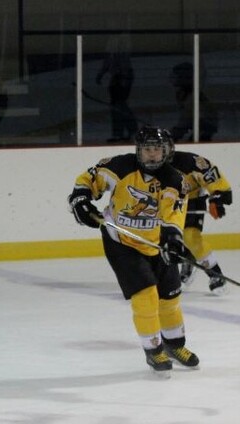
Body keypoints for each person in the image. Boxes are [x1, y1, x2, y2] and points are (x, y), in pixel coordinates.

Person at [67, 126, 198, 375]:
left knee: (170, 298)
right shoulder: (119, 167)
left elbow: (173, 215)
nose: (152, 154)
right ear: (138, 150)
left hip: (156, 243)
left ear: (166, 152)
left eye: (157, 149)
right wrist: (80, 198)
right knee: (145, 296)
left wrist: (172, 240)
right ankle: (154, 350)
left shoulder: (175, 180)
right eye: (147, 149)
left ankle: (174, 345)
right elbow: (88, 180)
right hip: (122, 242)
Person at [170, 149, 233, 294]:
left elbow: (212, 176)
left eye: (160, 149)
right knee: (164, 239)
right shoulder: (145, 164)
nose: (154, 153)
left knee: (190, 237)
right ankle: (187, 261)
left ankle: (215, 274)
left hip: (192, 201)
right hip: (164, 204)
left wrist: (217, 198)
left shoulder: (189, 162)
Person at [95, 35, 137, 142]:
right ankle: (120, 133)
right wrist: (100, 75)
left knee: (119, 106)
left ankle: (129, 131)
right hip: (118, 80)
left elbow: (124, 69)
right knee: (117, 106)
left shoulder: (122, 55)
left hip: (121, 80)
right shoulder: (113, 55)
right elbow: (107, 64)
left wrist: (123, 82)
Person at [169, 62, 218, 143]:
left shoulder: (194, 97)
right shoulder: (182, 94)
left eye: (178, 76)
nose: (175, 79)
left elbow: (187, 119)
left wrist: (174, 134)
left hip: (204, 130)